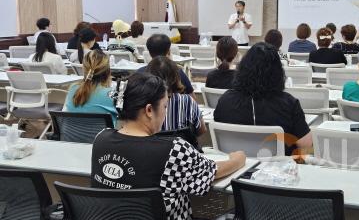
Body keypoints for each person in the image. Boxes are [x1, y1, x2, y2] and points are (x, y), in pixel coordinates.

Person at [91, 73, 246, 219]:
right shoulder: (173, 150)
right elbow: (213, 171)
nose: (166, 112)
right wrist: (238, 159)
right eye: (165, 107)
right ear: (149, 110)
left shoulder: (100, 139)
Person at [214, 42, 312, 156]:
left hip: (235, 170)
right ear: (278, 72)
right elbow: (306, 146)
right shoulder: (289, 104)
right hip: (278, 170)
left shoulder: (225, 101)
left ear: (243, 67)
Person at [146, 56, 207, 135]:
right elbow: (201, 130)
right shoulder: (187, 101)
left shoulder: (142, 102)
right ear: (175, 77)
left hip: (152, 146)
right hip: (181, 146)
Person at [64, 50, 118, 125]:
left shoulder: (73, 88)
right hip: (102, 136)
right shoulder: (113, 94)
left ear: (83, 69)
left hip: (72, 136)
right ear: (108, 71)